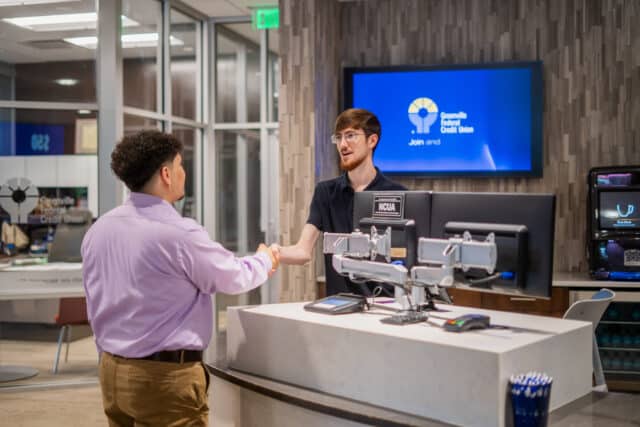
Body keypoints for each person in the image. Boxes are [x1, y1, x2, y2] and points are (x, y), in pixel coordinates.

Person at [81, 130, 278, 426]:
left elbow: (95, 300)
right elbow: (234, 278)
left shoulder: (100, 229)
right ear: (166, 174)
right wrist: (266, 259)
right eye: (180, 165)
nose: (183, 172)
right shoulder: (178, 233)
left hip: (111, 371)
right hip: (163, 379)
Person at [272, 108, 406, 296]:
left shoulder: (398, 195)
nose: (343, 145)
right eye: (339, 137)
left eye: (350, 136)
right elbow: (303, 251)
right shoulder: (325, 192)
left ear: (372, 140)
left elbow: (404, 259)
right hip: (340, 306)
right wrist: (273, 253)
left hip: (385, 310)